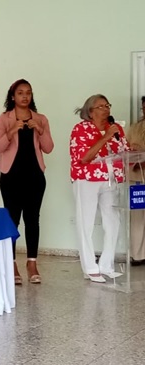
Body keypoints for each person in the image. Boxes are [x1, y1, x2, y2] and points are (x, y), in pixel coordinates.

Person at [0, 79, 54, 285]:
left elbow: (49, 148)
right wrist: (11, 131)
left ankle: (32, 263)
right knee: (12, 220)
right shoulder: (4, 119)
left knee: (32, 220)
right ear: (13, 96)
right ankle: (11, 263)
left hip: (35, 176)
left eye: (28, 92)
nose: (25, 96)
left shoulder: (41, 119)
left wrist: (41, 130)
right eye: (20, 93)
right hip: (11, 177)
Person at [70, 94, 129, 283]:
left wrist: (131, 151)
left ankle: (106, 265)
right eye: (101, 106)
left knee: (113, 222)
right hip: (87, 178)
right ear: (90, 111)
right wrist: (106, 138)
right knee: (85, 222)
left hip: (111, 178)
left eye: (107, 105)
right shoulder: (81, 129)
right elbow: (84, 157)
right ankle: (89, 267)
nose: (106, 109)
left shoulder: (116, 128)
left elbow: (125, 152)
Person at [125, 95, 145, 265]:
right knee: (137, 216)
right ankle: (138, 255)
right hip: (137, 177)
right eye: (143, 107)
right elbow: (125, 149)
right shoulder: (134, 129)